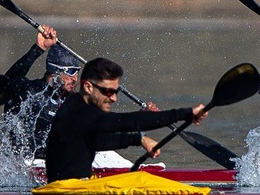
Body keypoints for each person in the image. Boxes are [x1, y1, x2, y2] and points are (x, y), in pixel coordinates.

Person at [45, 57, 207, 182]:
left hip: (75, 186)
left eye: (116, 92)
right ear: (88, 87)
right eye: (108, 92)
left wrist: (138, 139)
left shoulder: (76, 105)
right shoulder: (81, 114)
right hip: (67, 192)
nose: (114, 99)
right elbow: (129, 121)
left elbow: (98, 142)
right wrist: (186, 113)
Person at [4, 25, 82, 160]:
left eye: (77, 71)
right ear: (55, 70)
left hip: (60, 161)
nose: (75, 78)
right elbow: (7, 83)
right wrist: (38, 48)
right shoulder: (29, 92)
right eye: (70, 71)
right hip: (29, 162)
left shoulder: (74, 101)